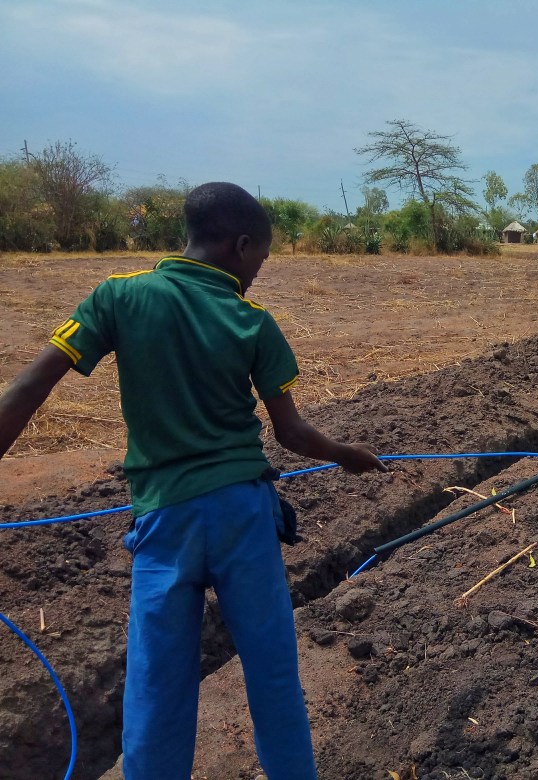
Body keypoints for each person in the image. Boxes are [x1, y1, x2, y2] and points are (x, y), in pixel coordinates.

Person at [0, 182, 388, 779]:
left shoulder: (118, 297)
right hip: (243, 517)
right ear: (240, 245)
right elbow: (290, 433)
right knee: (273, 673)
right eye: (260, 257)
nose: (258, 272)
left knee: (157, 685)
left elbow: (31, 387)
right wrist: (346, 454)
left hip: (165, 521)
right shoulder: (251, 319)